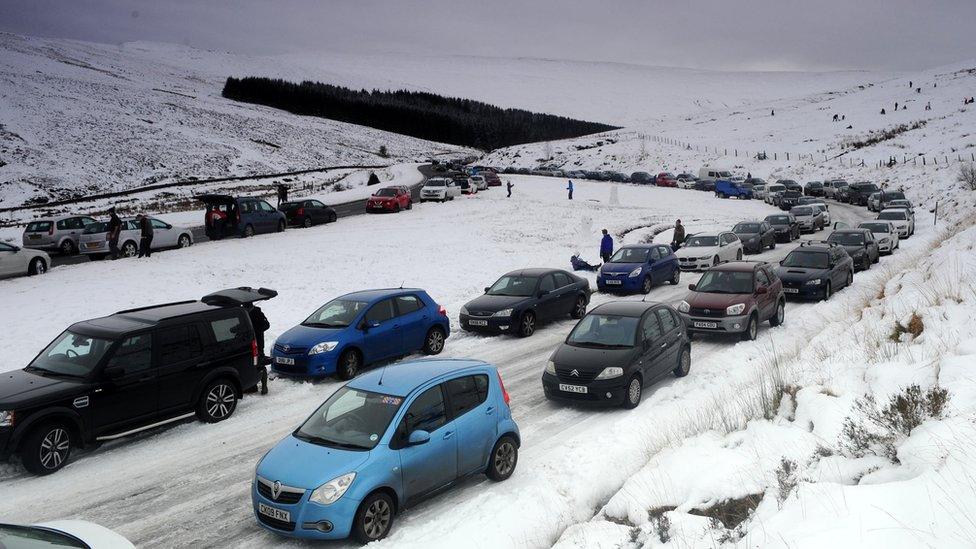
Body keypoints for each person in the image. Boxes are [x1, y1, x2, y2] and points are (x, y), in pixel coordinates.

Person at [246, 303, 270, 395]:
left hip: (257, 343)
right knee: (251, 364)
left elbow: (266, 325)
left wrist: (255, 329)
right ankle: (253, 386)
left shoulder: (257, 312)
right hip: (247, 344)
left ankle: (264, 386)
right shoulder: (243, 313)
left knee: (260, 363)